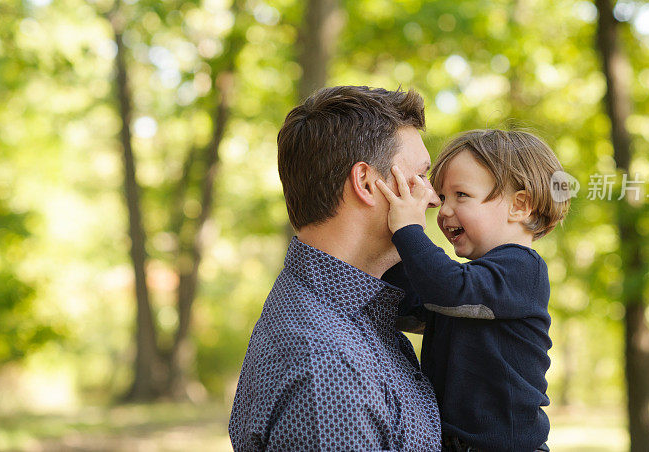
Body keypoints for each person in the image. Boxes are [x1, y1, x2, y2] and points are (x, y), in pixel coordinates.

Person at [228, 86, 444, 451]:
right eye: (420, 178)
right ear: (365, 183)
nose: (435, 199)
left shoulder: (349, 318)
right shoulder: (328, 364)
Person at [376, 129, 570, 452]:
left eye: (461, 195)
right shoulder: (468, 289)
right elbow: (409, 303)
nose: (444, 210)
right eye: (441, 197)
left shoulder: (523, 270)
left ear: (519, 206)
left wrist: (407, 230)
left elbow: (448, 289)